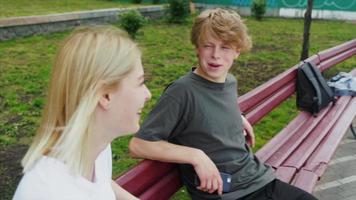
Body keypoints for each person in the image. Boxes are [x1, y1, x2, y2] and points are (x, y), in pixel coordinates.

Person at [129, 8, 318, 200]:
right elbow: (139, 145)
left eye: (225, 47)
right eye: (208, 45)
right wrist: (196, 156)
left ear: (237, 51)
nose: (215, 55)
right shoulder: (182, 92)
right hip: (227, 193)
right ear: (197, 47)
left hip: (259, 179)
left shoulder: (229, 81)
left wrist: (237, 117)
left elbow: (212, 109)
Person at [13, 26, 151, 200]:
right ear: (105, 95)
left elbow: (100, 185)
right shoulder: (45, 192)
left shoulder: (97, 149)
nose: (148, 94)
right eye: (140, 82)